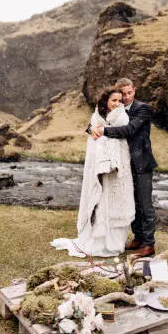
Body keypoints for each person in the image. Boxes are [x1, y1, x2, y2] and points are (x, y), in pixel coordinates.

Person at [51, 87, 135, 257]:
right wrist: (93, 131)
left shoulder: (123, 117)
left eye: (120, 100)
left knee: (116, 202)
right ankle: (98, 241)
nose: (118, 104)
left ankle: (114, 245)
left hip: (118, 170)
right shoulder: (97, 114)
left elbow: (121, 135)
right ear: (106, 101)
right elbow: (91, 130)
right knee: (100, 202)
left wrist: (103, 134)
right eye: (114, 100)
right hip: (99, 169)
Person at [92, 78, 157, 258]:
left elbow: (129, 130)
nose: (127, 97)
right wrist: (93, 129)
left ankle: (149, 244)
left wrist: (103, 131)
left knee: (145, 204)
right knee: (133, 202)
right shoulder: (115, 109)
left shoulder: (142, 108)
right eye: (123, 95)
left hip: (142, 163)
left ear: (134, 90)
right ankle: (138, 238)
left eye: (130, 93)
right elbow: (95, 123)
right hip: (125, 164)